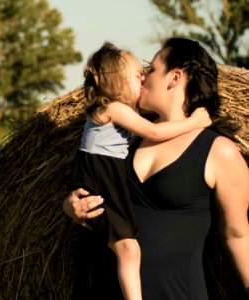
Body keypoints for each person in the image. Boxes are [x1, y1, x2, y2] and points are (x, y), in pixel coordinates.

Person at [64, 37, 249, 300]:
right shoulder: (123, 136)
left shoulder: (218, 151)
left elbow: (237, 235)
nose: (141, 78)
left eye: (150, 70)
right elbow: (92, 184)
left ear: (174, 78)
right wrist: (71, 206)